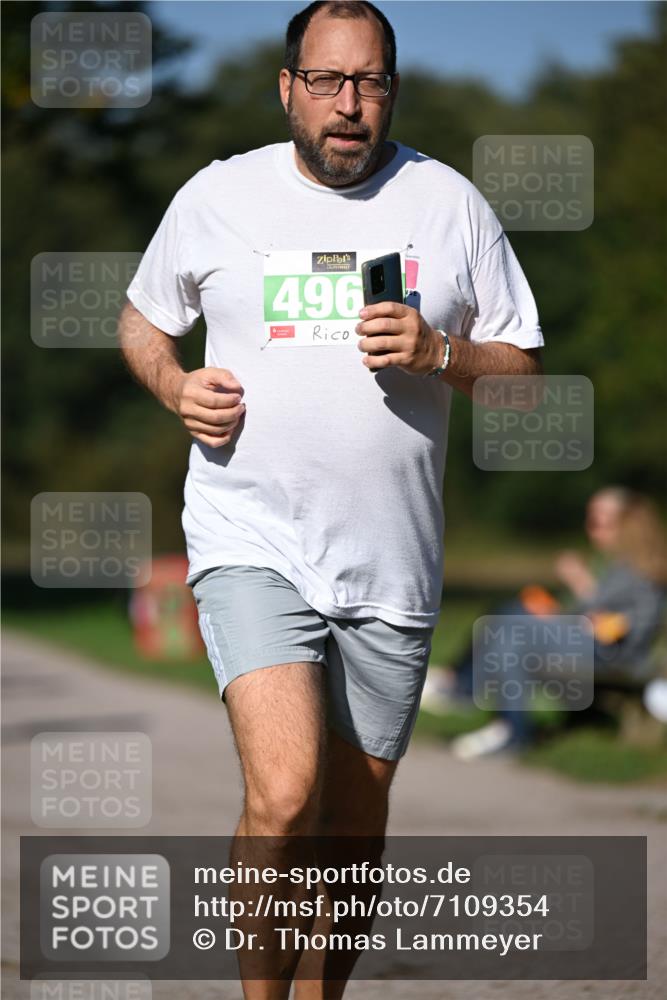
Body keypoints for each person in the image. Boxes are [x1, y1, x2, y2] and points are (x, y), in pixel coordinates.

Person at [119, 2, 543, 995]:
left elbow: (523, 367)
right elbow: (143, 325)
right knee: (284, 793)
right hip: (249, 532)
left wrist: (443, 352)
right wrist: (178, 386)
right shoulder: (218, 196)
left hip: (390, 559)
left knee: (351, 827)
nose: (349, 105)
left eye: (370, 82)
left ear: (391, 88)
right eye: (327, 81)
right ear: (287, 89)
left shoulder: (448, 205)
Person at [426, 488, 667, 760]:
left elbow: (630, 625)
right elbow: (595, 611)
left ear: (627, 525)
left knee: (511, 624)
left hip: (613, 655)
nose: (592, 530)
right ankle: (500, 719)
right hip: (592, 643)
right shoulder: (617, 564)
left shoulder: (640, 568)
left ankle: (472, 695)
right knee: (512, 618)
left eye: (599, 523)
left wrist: (579, 588)